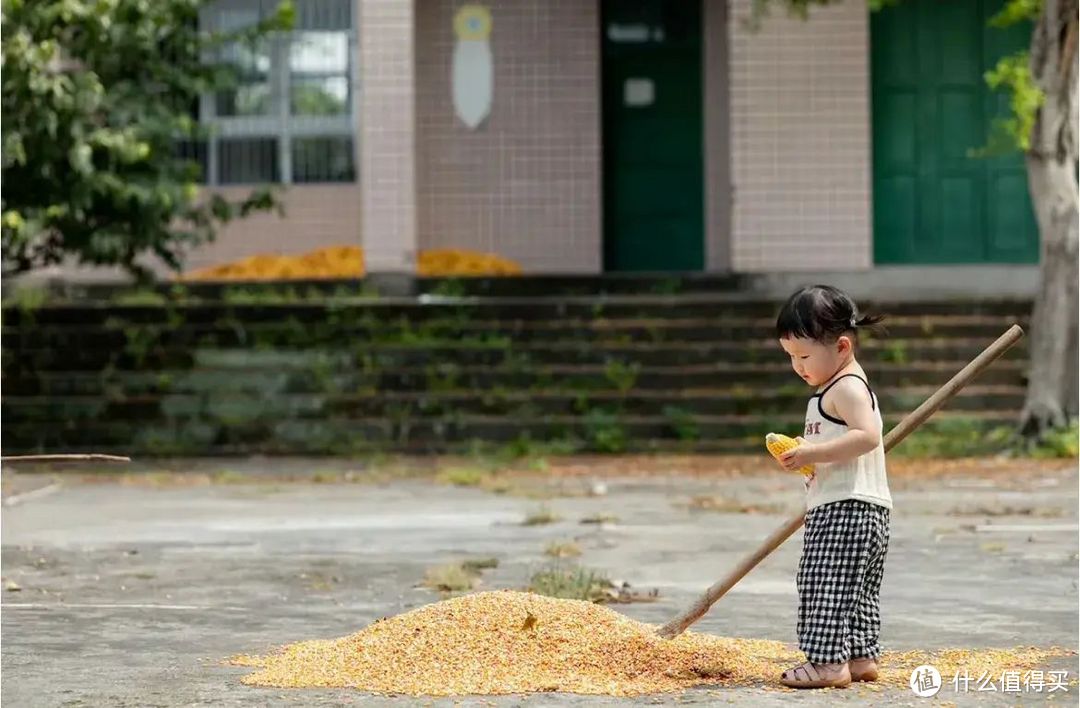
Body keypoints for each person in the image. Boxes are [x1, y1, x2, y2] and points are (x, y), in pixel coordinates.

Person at [772, 285, 893, 689]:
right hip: (866, 508)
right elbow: (845, 445)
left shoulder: (846, 388)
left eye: (804, 356)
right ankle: (860, 657)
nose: (798, 366)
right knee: (854, 589)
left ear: (842, 346)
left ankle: (827, 663)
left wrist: (813, 453)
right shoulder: (840, 387)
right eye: (791, 357)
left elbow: (868, 436)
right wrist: (811, 460)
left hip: (844, 509)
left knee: (822, 584)